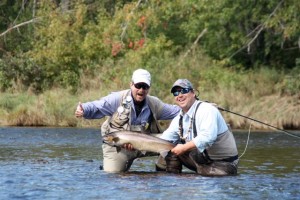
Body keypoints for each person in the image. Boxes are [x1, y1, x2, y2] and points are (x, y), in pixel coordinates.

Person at [75, 69, 180, 172]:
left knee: (176, 139)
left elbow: (176, 111)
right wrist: (83, 109)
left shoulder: (154, 103)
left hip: (146, 144)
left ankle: (162, 168)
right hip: (118, 149)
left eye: (145, 87)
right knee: (113, 175)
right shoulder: (117, 99)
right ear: (131, 85)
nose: (141, 90)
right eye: (138, 86)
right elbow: (98, 105)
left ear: (149, 88)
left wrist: (194, 107)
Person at [158, 79, 239, 176]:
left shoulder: (207, 110)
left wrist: (183, 148)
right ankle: (169, 182)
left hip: (224, 164)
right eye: (176, 93)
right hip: (201, 162)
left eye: (184, 91)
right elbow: (163, 140)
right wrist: (138, 145)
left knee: (205, 176)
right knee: (167, 150)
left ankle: (188, 181)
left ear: (193, 93)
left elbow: (208, 137)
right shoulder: (179, 118)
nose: (179, 95)